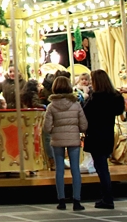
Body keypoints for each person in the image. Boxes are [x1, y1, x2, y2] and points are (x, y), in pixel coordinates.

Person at [44, 75, 88, 211]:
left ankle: (61, 200)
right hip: (73, 139)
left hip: (57, 140)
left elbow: (46, 127)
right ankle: (77, 200)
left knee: (59, 170)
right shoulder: (76, 104)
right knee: (75, 169)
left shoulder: (51, 106)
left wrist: (54, 130)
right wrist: (76, 129)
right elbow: (84, 125)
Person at [83, 69, 125, 209]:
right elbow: (118, 110)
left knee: (101, 168)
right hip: (107, 134)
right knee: (102, 166)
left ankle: (107, 198)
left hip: (95, 135)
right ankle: (106, 196)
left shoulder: (95, 99)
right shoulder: (114, 97)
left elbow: (85, 113)